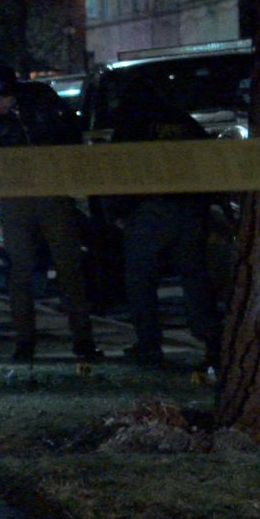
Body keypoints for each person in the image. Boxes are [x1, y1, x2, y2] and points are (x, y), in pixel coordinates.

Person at [0, 63, 102, 362]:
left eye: (6, 98)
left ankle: (80, 340)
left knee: (65, 267)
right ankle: (28, 341)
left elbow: (67, 136)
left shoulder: (37, 103)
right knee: (24, 270)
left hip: (47, 192)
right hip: (19, 195)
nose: (1, 103)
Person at [105, 75, 223, 373]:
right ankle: (212, 342)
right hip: (188, 207)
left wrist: (118, 211)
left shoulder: (131, 123)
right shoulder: (180, 119)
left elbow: (118, 168)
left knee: (141, 278)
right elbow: (208, 158)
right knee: (195, 276)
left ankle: (149, 344)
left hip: (149, 209)